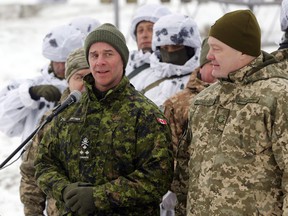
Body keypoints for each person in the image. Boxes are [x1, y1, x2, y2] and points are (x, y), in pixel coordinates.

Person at [35, 23, 173, 215]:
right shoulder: (69, 111)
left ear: (122, 60)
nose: (100, 62)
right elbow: (44, 164)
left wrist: (97, 197)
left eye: (108, 54)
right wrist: (65, 191)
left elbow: (158, 178)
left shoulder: (145, 114)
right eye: (94, 55)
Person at [187, 10, 288, 215]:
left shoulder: (278, 97)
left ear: (242, 51)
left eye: (217, 49)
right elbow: (184, 175)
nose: (209, 56)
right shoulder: (203, 101)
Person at [20, 47, 90, 216]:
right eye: (79, 77)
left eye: (91, 77)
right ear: (68, 80)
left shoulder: (117, 115)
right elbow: (31, 173)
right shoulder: (51, 120)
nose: (85, 84)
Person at [0, 24, 84, 142]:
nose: (61, 67)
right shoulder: (33, 84)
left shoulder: (87, 86)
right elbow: (5, 122)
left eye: (64, 61)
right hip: (32, 158)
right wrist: (30, 94)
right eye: (56, 61)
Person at [162, 37, 216, 216]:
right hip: (189, 194)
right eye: (210, 64)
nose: (215, 71)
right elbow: (169, 150)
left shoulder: (239, 97)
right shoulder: (177, 103)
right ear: (201, 66)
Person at [141, 13, 201, 108]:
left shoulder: (201, 80)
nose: (170, 51)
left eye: (176, 47)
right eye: (165, 47)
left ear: (190, 48)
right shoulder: (147, 78)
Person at [125, 4, 171, 88]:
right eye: (140, 30)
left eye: (151, 29)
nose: (144, 35)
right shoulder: (125, 64)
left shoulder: (174, 68)